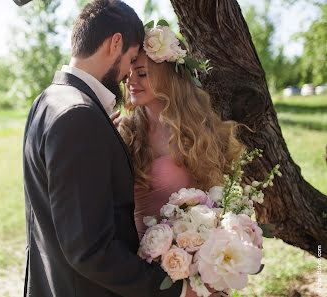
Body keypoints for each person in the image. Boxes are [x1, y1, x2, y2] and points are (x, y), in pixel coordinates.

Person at [22, 1, 187, 297]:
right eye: (132, 58)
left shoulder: (47, 101)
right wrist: (172, 291)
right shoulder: (79, 116)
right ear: (115, 43)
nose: (127, 75)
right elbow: (90, 250)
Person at [113, 24, 244, 297]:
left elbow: (217, 203)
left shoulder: (197, 131)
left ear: (167, 78)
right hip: (138, 264)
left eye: (142, 74)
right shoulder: (123, 131)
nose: (131, 82)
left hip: (192, 261)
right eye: (128, 74)